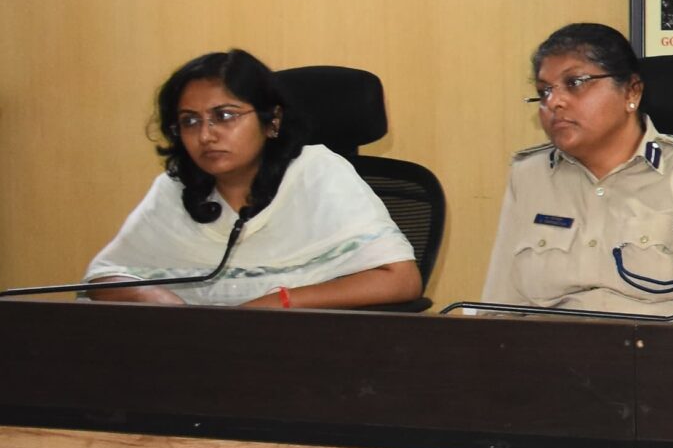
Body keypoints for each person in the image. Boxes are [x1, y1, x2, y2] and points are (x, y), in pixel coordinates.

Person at [85, 49, 421, 308]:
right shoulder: (176, 188)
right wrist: (153, 298)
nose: (206, 135)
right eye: (190, 121)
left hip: (310, 353)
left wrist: (277, 303)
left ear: (271, 121)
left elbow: (400, 279)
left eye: (224, 116)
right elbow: (104, 277)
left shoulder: (316, 173)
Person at [482, 24, 673, 323]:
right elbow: (498, 309)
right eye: (544, 91)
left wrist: (628, 348)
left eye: (575, 83)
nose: (554, 102)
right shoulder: (529, 175)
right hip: (544, 350)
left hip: (655, 349)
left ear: (632, 91)